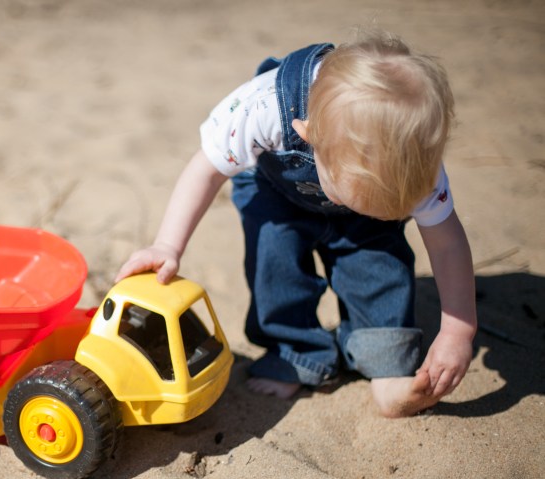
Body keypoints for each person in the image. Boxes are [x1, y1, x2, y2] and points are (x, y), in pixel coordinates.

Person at [116, 32, 476, 418]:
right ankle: (295, 354)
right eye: (355, 198)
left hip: (355, 192)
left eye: (387, 207)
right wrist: (168, 245)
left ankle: (386, 364)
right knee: (276, 264)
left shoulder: (412, 162)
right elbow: (205, 168)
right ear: (308, 135)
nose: (366, 209)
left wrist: (458, 329)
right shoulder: (263, 106)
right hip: (276, 194)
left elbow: (446, 243)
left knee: (379, 267)